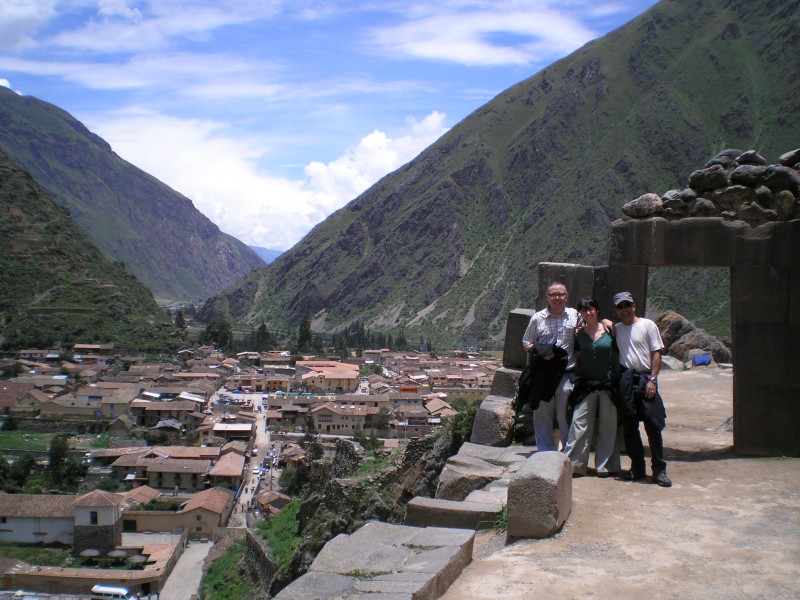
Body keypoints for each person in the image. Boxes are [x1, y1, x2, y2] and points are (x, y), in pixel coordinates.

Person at [613, 291, 672, 487]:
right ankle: (637, 468)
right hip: (627, 380)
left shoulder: (647, 325)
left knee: (653, 425)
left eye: (627, 305)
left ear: (634, 306)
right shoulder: (617, 328)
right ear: (617, 310)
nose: (625, 310)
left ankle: (659, 470)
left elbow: (656, 352)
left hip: (645, 378)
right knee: (630, 426)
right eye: (620, 307)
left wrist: (653, 379)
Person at [564, 297, 621, 477]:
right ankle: (574, 465)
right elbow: (577, 356)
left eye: (591, 309)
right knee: (578, 423)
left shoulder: (610, 330)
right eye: (584, 310)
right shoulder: (579, 335)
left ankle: (606, 466)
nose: (588, 312)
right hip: (588, 384)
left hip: (608, 383)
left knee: (608, 425)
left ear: (597, 310)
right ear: (580, 313)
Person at [522, 282, 580, 452]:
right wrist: (540, 352)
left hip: (565, 372)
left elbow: (590, 324)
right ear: (547, 297)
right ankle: (545, 451)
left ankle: (569, 453)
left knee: (565, 415)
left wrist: (605, 322)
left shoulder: (574, 315)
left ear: (566, 296)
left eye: (561, 294)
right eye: (553, 294)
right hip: (543, 372)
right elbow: (526, 342)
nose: (557, 298)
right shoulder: (538, 318)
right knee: (542, 414)